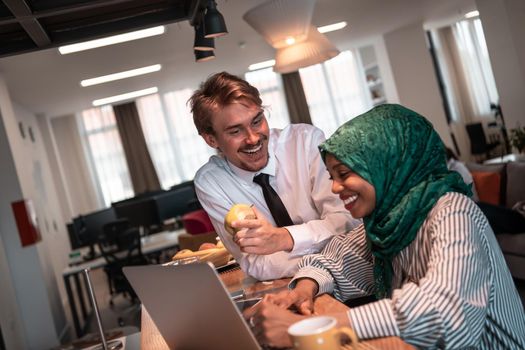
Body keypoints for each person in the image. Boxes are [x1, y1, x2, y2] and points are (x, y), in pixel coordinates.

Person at [244, 104, 525, 349]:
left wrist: (316, 328)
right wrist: (303, 288)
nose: (334, 187)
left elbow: (443, 313)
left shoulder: (452, 211)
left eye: (344, 174)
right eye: (332, 176)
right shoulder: (388, 219)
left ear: (386, 164)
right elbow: (336, 259)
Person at [189, 72, 360, 280]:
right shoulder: (211, 183)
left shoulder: (305, 142)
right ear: (211, 139)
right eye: (235, 131)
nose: (253, 139)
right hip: (291, 286)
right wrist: (327, 255)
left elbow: (346, 223)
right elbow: (256, 264)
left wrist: (283, 239)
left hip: (354, 278)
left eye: (257, 121)